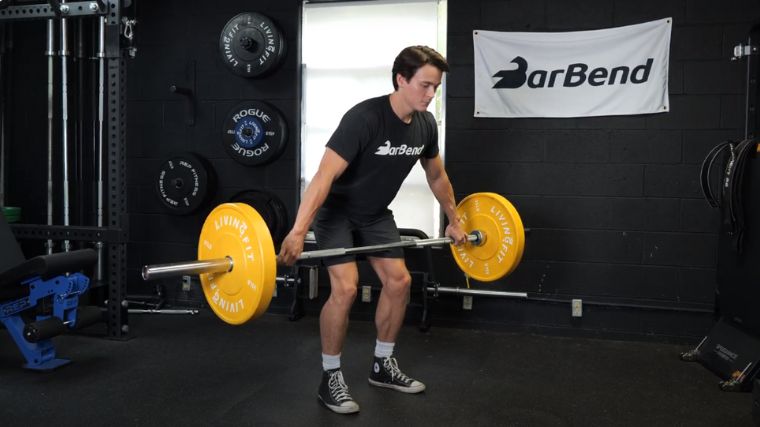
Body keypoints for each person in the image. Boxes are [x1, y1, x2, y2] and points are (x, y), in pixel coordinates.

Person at [277, 45, 467, 415]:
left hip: (375, 215)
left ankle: (383, 364)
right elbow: (323, 177)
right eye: (425, 85)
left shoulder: (426, 124)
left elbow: (437, 175)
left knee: (399, 281)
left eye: (436, 87)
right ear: (401, 80)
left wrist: (455, 218)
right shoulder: (364, 118)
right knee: (346, 287)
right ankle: (330, 377)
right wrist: (299, 230)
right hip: (337, 214)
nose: (431, 94)